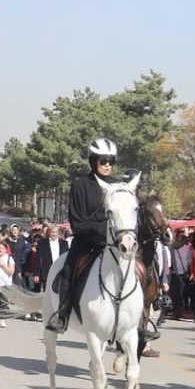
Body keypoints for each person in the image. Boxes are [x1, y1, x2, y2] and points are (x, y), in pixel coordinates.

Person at [45, 138, 118, 333]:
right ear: (93, 161)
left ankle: (142, 321)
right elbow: (77, 221)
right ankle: (62, 314)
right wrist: (100, 231)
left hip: (114, 243)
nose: (108, 165)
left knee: (138, 269)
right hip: (86, 241)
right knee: (68, 270)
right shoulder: (80, 184)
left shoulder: (118, 186)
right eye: (103, 161)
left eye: (111, 161)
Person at [33, 224, 69, 291]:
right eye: (52, 232)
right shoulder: (42, 242)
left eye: (56, 232)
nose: (54, 234)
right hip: (47, 272)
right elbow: (38, 259)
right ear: (49, 232)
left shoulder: (64, 243)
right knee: (47, 292)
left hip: (60, 271)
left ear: (58, 233)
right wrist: (36, 274)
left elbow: (67, 258)